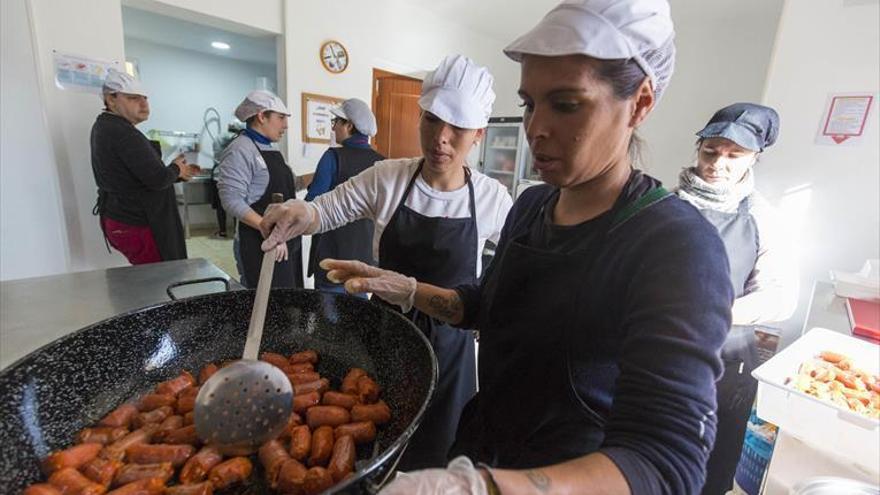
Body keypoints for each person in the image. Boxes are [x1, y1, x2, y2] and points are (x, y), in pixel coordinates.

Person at [265, 1, 736, 493]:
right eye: (530, 103)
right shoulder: (532, 206)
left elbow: (666, 465)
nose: (536, 128)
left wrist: (484, 488)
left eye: (566, 104)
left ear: (639, 103)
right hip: (481, 444)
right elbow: (485, 306)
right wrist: (406, 288)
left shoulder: (677, 245)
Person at [260, 55, 514, 471]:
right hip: (388, 331)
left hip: (451, 345)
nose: (441, 139)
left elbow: (514, 270)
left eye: (459, 129)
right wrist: (297, 214)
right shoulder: (388, 177)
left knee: (442, 446)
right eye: (432, 120)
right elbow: (326, 208)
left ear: (479, 135)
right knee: (379, 433)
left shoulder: (492, 198)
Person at [676, 102, 798, 495]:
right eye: (709, 151)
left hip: (723, 364)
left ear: (755, 158)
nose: (717, 163)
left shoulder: (763, 217)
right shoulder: (666, 202)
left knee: (707, 465)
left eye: (733, 155)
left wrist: (720, 313)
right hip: (654, 348)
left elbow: (781, 297)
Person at [91, 68, 199, 265]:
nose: (144, 105)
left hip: (122, 218)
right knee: (158, 280)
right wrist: (176, 169)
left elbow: (139, 175)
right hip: (136, 223)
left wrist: (176, 173)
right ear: (111, 99)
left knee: (150, 278)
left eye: (145, 98)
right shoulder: (122, 132)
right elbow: (157, 179)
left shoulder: (107, 127)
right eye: (133, 98)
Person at [217, 90, 303, 289]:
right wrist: (268, 228)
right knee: (263, 306)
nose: (286, 125)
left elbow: (292, 184)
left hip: (285, 242)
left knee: (286, 302)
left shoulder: (271, 149)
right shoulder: (240, 149)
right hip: (258, 244)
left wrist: (320, 173)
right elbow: (231, 200)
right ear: (261, 116)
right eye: (281, 118)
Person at [306, 98, 385, 294]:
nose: (333, 129)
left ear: (349, 125)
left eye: (336, 122)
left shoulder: (333, 157)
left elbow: (311, 205)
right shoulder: (383, 163)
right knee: (358, 316)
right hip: (366, 257)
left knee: (328, 315)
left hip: (332, 254)